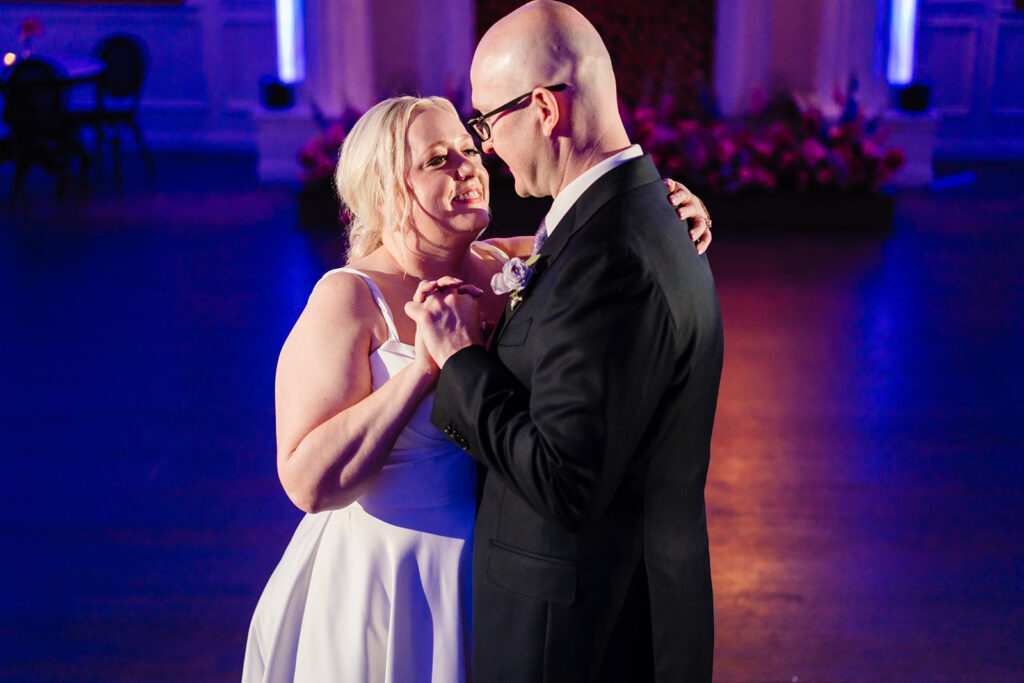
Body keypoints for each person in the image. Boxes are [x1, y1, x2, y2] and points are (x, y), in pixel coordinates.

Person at [242, 93, 712, 682]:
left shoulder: (505, 265)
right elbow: (308, 483)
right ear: (386, 188)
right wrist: (425, 368)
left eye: (469, 149)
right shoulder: (349, 298)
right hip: (391, 580)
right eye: (438, 160)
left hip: (496, 577)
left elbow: (603, 238)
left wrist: (669, 211)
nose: (470, 168)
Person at [405, 2, 724, 681]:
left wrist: (461, 360)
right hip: (624, 606)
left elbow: (564, 480)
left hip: (583, 637)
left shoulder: (612, 255)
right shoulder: (648, 215)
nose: (483, 146)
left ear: (545, 110)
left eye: (487, 121)